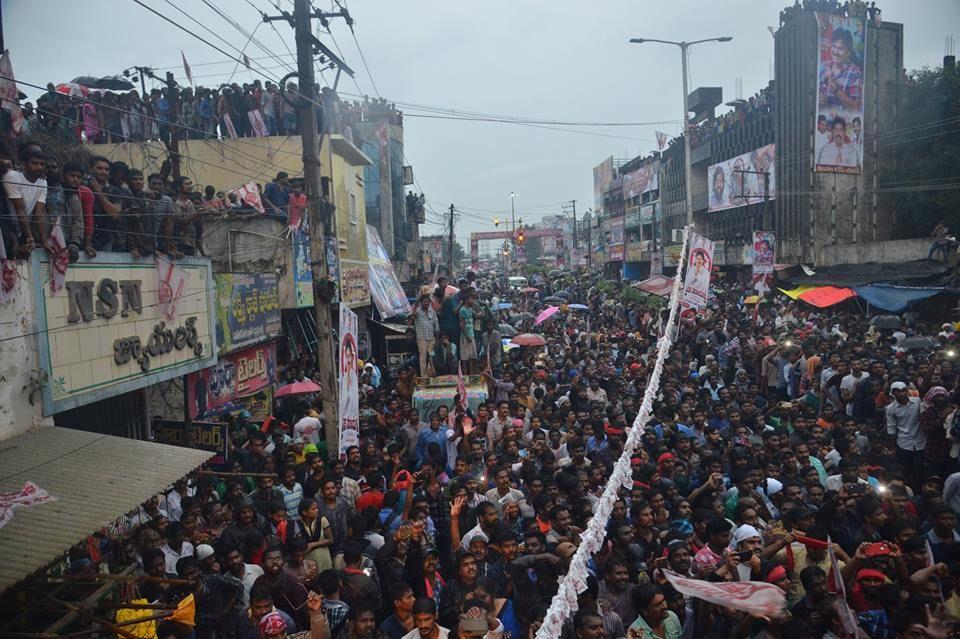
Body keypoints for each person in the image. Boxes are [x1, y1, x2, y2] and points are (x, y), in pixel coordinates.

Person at [414, 295, 440, 377]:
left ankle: (431, 374)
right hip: (422, 339)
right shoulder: (417, 311)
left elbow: (436, 326)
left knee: (431, 357)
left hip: (431, 338)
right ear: (421, 303)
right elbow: (413, 312)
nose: (426, 303)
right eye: (424, 301)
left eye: (427, 301)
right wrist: (418, 299)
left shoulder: (432, 312)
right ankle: (424, 377)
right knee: (423, 358)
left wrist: (438, 339)